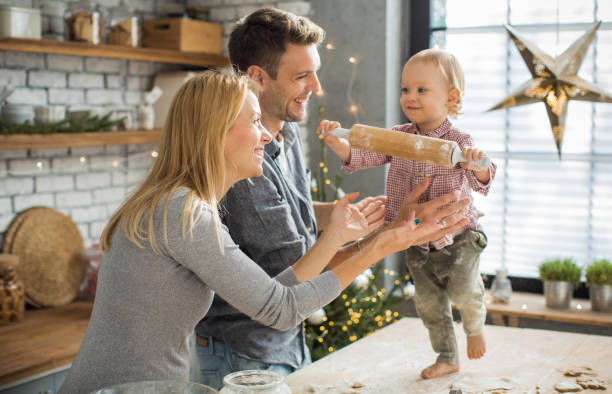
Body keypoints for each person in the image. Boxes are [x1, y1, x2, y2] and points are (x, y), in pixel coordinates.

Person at [57, 69, 458, 394]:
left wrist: (338, 237)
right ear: (214, 132)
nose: (266, 136)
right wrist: (379, 248)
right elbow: (280, 311)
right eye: (253, 121)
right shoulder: (183, 211)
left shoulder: (182, 203)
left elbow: (268, 296)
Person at [193, 9, 470, 389]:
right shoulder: (244, 163)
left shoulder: (285, 135)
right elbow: (296, 281)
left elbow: (297, 214)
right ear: (257, 77)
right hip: (244, 355)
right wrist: (395, 230)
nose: (317, 87)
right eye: (302, 76)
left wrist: (381, 212)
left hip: (285, 344)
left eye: (315, 71)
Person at [320, 48, 497, 379]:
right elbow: (363, 155)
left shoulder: (460, 141)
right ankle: (447, 355)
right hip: (414, 240)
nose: (409, 97)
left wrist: (478, 163)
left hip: (457, 237)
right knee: (428, 305)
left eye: (421, 89)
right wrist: (339, 142)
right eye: (405, 89)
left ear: (451, 97)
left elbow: (482, 178)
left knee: (461, 293)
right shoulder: (398, 137)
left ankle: (474, 327)